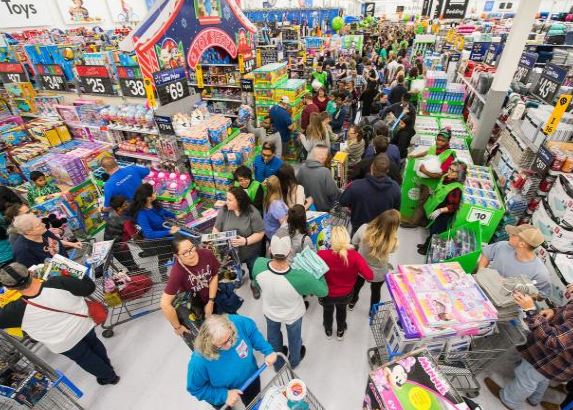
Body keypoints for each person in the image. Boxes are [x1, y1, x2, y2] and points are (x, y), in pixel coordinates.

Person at [0, 262, 119, 385]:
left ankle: (109, 376)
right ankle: (107, 366)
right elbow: (89, 287)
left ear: (9, 288)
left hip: (62, 341)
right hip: (83, 323)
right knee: (94, 344)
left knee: (84, 358)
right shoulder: (57, 282)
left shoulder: (13, 310)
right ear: (30, 272)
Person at [484, 287, 573, 410]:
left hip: (553, 358)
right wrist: (554, 310)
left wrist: (531, 311)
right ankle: (534, 398)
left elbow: (553, 340)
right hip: (558, 361)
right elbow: (568, 314)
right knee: (542, 377)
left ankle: (509, 400)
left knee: (527, 376)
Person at [253, 235, 327, 370]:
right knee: (294, 338)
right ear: (290, 252)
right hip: (293, 314)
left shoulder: (258, 264)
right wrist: (319, 271)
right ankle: (294, 361)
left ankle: (277, 364)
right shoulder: (301, 277)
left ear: (270, 250)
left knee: (273, 338)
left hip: (270, 311)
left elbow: (255, 282)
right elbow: (323, 292)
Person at [187, 314, 277, 408]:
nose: (229, 345)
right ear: (209, 343)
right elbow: (195, 389)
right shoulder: (199, 361)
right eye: (222, 344)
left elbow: (252, 331)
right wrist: (224, 395)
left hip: (250, 378)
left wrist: (267, 350)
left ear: (230, 326)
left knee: (253, 402)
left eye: (230, 338)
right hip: (222, 393)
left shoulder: (236, 322)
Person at [161, 236, 220, 345]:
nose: (191, 253)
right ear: (176, 256)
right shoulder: (177, 273)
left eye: (192, 248)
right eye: (185, 253)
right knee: (211, 340)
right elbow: (165, 304)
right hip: (197, 306)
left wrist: (211, 301)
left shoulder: (206, 254)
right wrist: (177, 327)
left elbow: (214, 275)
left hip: (215, 296)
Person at [318, 226, 373, 340]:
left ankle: (328, 331)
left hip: (326, 293)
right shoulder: (355, 256)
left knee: (327, 311)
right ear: (347, 238)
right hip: (346, 294)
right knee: (341, 310)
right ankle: (340, 331)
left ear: (331, 239)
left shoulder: (322, 254)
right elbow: (370, 276)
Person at [213, 187, 265, 299]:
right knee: (235, 270)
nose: (226, 202)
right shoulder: (224, 210)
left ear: (239, 201)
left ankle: (254, 284)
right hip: (231, 253)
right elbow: (216, 229)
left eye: (230, 200)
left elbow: (260, 233)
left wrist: (245, 241)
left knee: (253, 270)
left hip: (250, 251)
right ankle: (239, 277)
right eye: (227, 199)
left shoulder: (252, 212)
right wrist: (216, 241)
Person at [478, 224, 551, 297]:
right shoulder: (502, 246)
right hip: (485, 288)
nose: (509, 235)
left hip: (502, 302)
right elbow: (486, 253)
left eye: (513, 235)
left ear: (522, 244)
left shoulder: (540, 273)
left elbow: (541, 295)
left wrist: (520, 291)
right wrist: (481, 270)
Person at [350, 209, 400, 312]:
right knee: (376, 291)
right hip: (379, 272)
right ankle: (372, 312)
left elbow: (354, 241)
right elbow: (391, 251)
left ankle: (352, 302)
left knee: (357, 286)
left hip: (361, 267)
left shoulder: (364, 228)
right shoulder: (393, 241)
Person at [405, 129, 456, 227]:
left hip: (432, 185)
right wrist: (415, 156)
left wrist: (425, 171)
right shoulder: (434, 147)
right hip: (424, 181)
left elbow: (441, 174)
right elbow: (426, 153)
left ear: (448, 141)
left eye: (442, 141)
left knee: (422, 204)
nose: (439, 142)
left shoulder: (449, 155)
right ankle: (422, 221)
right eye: (438, 139)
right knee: (422, 202)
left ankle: (412, 223)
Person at [339, 154, 401, 235]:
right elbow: (396, 211)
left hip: (359, 229)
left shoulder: (355, 186)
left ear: (371, 167)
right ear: (387, 170)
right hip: (382, 230)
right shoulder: (396, 188)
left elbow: (342, 201)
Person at [417, 161, 467, 255]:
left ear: (458, 175)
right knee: (432, 230)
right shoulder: (446, 178)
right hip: (436, 210)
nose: (449, 172)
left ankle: (428, 250)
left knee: (436, 233)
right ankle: (426, 245)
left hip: (443, 215)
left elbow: (453, 206)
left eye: (453, 171)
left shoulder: (456, 189)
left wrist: (440, 210)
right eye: (449, 169)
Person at [128, 183, 179, 275]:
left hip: (167, 233)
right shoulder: (142, 215)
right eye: (153, 192)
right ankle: (164, 275)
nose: (155, 193)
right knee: (164, 257)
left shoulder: (154, 204)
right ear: (148, 197)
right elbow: (149, 234)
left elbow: (162, 212)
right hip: (159, 240)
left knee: (174, 252)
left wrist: (175, 215)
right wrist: (169, 231)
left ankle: (177, 270)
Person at [12, 214, 81, 268]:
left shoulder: (43, 231)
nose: (44, 225)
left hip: (67, 265)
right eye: (39, 225)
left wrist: (72, 244)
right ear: (29, 232)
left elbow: (55, 241)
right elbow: (36, 274)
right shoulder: (23, 251)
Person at [296, 145, 339, 212]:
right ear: (324, 157)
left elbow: (297, 186)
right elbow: (333, 193)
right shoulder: (325, 172)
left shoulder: (302, 168)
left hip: (306, 207)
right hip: (322, 210)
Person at [103, 195, 137, 270]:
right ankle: (138, 275)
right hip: (120, 247)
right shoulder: (125, 221)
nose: (127, 205)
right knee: (130, 263)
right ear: (119, 208)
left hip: (111, 245)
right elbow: (134, 235)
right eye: (124, 205)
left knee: (128, 263)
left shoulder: (112, 212)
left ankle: (135, 271)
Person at [263, 176, 288, 241]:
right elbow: (283, 223)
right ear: (278, 186)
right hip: (277, 236)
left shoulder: (267, 196)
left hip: (269, 232)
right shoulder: (276, 204)